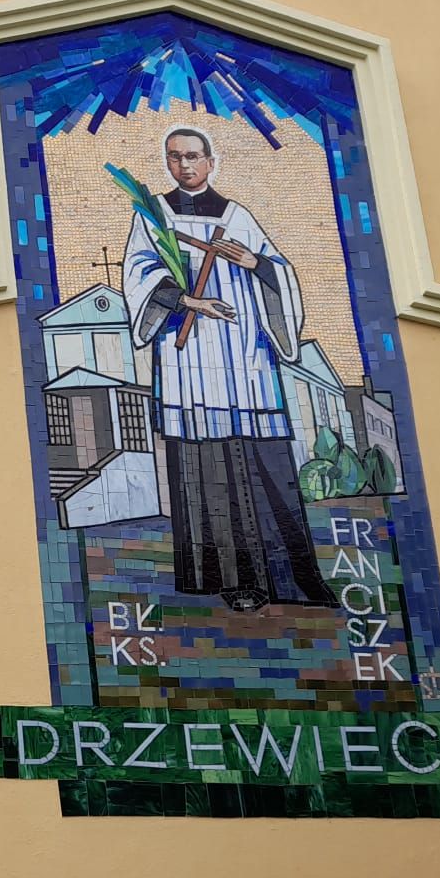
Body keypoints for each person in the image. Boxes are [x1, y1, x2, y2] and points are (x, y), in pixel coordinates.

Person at [121, 126, 338, 611]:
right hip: (187, 360)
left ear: (211, 161)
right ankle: (230, 580)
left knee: (265, 463)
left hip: (246, 359)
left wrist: (255, 262)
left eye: (193, 156)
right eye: (175, 157)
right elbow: (139, 272)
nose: (185, 165)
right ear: (167, 162)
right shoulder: (153, 216)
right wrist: (188, 300)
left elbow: (279, 272)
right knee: (206, 470)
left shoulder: (238, 216)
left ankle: (290, 578)